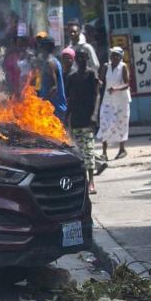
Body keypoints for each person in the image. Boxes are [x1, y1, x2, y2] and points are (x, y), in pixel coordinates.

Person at [66, 48, 106, 194]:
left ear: (87, 59)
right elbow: (70, 99)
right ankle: (82, 182)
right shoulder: (72, 77)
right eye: (79, 58)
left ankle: (91, 182)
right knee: (78, 153)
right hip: (76, 119)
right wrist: (67, 116)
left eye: (84, 58)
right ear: (76, 60)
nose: (81, 61)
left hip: (88, 119)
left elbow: (97, 96)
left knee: (89, 151)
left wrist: (94, 115)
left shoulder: (91, 75)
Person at [97, 47, 131, 160]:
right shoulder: (106, 66)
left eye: (117, 55)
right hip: (108, 99)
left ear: (121, 57)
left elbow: (127, 84)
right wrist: (98, 83)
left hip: (122, 100)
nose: (114, 57)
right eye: (112, 55)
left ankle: (122, 149)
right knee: (105, 123)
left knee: (122, 124)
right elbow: (101, 80)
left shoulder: (123, 67)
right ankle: (104, 152)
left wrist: (116, 88)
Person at [35, 36, 67, 124]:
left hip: (54, 108)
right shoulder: (53, 61)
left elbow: (54, 88)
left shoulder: (50, 62)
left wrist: (42, 103)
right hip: (53, 107)